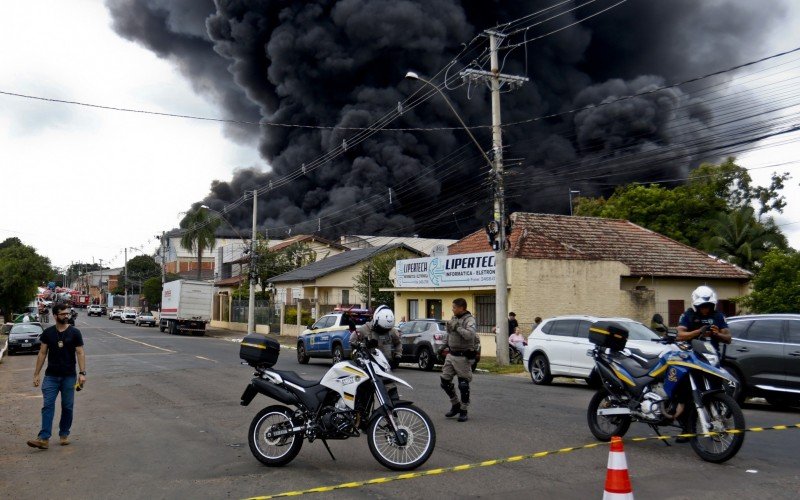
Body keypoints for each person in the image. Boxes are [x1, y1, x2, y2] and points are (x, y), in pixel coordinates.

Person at [27, 303, 86, 449]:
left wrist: (82, 373)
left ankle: (64, 434)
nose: (66, 316)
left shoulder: (75, 332)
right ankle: (43, 438)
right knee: (47, 405)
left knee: (67, 406)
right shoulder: (48, 333)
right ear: (55, 316)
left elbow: (80, 352)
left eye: (67, 314)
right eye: (63, 314)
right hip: (51, 376)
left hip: (69, 377)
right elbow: (42, 353)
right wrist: (36, 374)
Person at [441, 298, 477, 423]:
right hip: (451, 355)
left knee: (463, 384)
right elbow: (449, 334)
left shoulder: (469, 320)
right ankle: (455, 404)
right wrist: (441, 347)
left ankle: (463, 409)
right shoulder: (454, 318)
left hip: (463, 356)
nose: (452, 309)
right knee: (444, 381)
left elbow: (469, 335)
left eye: (454, 307)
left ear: (462, 308)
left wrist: (457, 328)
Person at [677, 286, 731, 354]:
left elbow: (728, 339)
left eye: (708, 306)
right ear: (696, 305)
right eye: (702, 306)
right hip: (692, 354)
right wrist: (699, 331)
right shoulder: (688, 315)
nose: (705, 309)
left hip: (713, 354)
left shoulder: (718, 316)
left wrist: (717, 334)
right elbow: (679, 336)